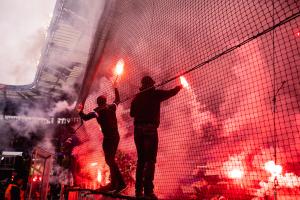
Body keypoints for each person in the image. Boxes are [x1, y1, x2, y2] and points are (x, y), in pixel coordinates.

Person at [130, 76, 182, 199]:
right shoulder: (155, 94)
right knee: (150, 161)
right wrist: (179, 87)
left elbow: (132, 114)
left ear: (142, 85)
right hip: (150, 130)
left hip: (138, 130)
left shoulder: (137, 97)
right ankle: (148, 191)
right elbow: (171, 93)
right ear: (151, 84)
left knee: (141, 161)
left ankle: (138, 191)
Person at [78, 85, 126, 193]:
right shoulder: (111, 107)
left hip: (108, 138)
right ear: (105, 101)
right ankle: (114, 184)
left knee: (110, 160)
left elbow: (85, 117)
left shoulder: (97, 111)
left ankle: (120, 184)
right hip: (115, 137)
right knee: (110, 160)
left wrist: (80, 111)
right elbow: (117, 100)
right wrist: (116, 87)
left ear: (98, 103)